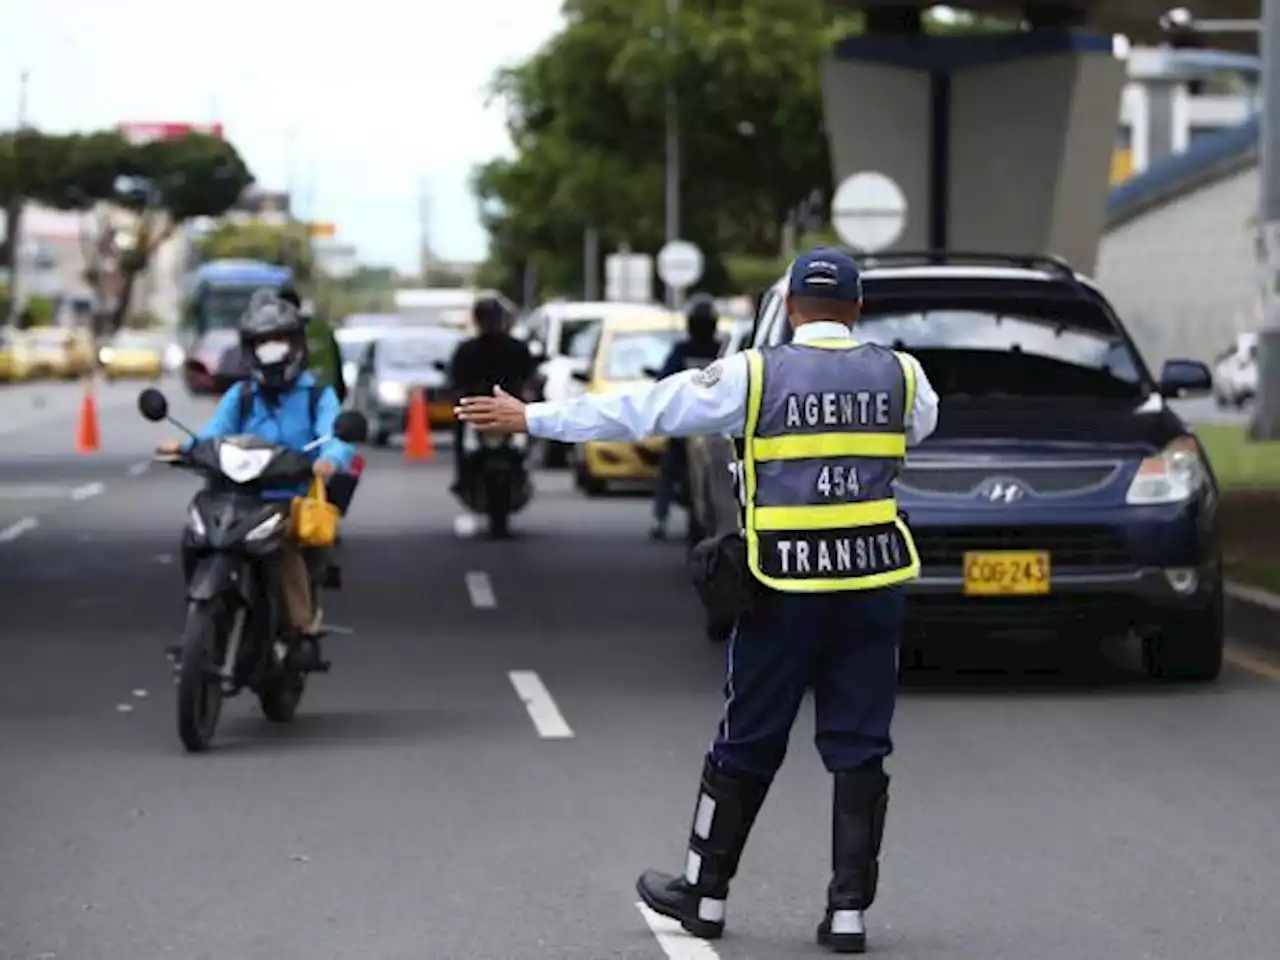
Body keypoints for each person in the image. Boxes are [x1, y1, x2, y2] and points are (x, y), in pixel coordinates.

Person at [455, 247, 939, 954]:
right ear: (859, 309)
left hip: (783, 588)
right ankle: (847, 915)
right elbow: (919, 428)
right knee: (860, 746)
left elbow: (646, 409)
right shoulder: (903, 375)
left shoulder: (755, 373)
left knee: (747, 740)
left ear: (793, 309)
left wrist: (533, 419)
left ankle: (704, 894)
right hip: (871, 588)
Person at [156, 292, 355, 672]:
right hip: (234, 494)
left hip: (289, 497)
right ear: (249, 349)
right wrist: (182, 448)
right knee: (195, 535)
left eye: (279, 340)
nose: (271, 351)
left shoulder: (316, 395)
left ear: (296, 345)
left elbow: (335, 434)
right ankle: (198, 623)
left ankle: (301, 632)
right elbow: (212, 435)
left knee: (284, 554)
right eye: (262, 343)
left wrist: (331, 458)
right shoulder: (241, 394)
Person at [445, 296, 538, 493]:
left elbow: (531, 377)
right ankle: (464, 476)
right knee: (461, 435)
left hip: (508, 411)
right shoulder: (469, 350)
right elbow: (454, 380)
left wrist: (530, 394)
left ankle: (522, 472)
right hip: (478, 412)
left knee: (528, 434)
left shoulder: (515, 348)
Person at [650, 294, 724, 540]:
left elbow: (664, 380)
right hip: (713, 422)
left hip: (687, 421)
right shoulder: (721, 351)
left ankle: (660, 520)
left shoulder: (682, 350)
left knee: (669, 470)